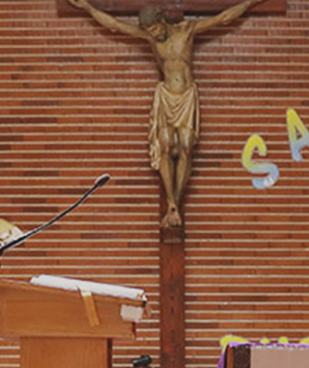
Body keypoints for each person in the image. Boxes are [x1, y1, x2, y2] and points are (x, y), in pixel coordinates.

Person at [66, 0, 268, 228]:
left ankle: (175, 204)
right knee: (166, 144)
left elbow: (223, 18)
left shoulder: (187, 31)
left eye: (155, 29)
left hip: (186, 97)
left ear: (162, 21)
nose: (153, 34)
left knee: (185, 147)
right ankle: (172, 205)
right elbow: (115, 25)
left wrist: (251, 2)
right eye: (149, 31)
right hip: (166, 97)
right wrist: (88, 8)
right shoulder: (151, 39)